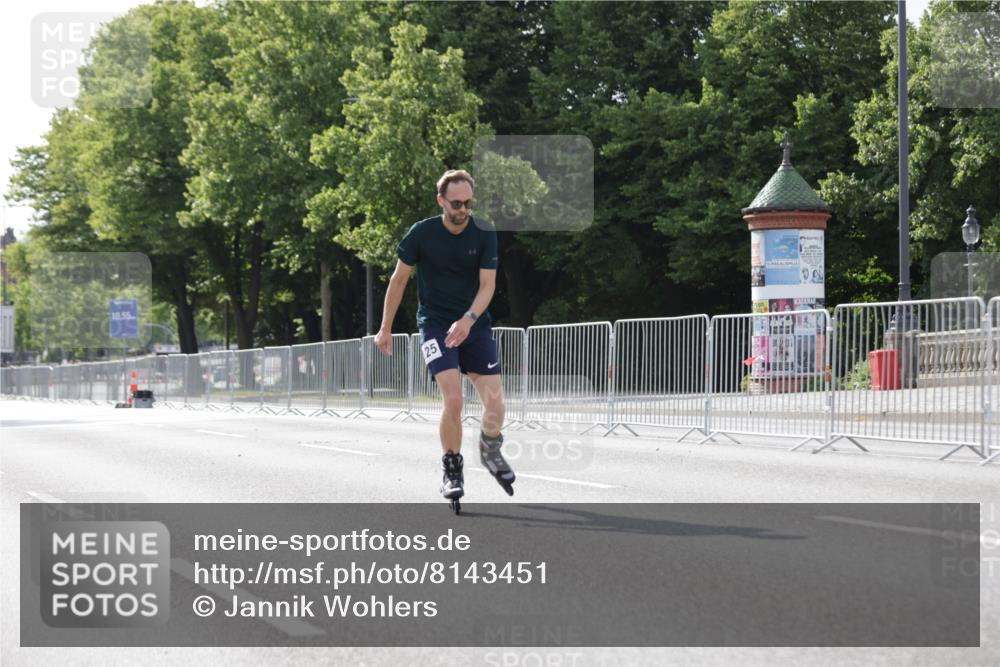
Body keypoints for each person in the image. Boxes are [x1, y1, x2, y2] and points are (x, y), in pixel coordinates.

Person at [374, 169, 515, 502]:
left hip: (474, 325)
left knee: (496, 405)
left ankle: (490, 449)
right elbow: (398, 280)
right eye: (456, 203)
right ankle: (452, 468)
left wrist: (468, 319)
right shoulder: (421, 233)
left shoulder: (484, 232)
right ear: (441, 201)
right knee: (453, 399)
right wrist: (385, 327)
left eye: (468, 203)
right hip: (436, 325)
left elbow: (487, 285)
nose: (463, 210)